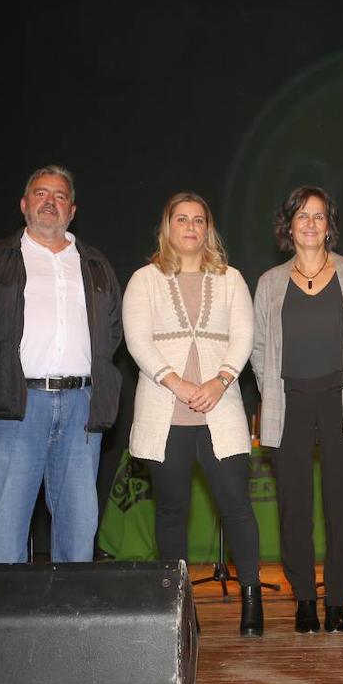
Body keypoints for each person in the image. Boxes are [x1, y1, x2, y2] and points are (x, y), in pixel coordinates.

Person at [0, 165, 122, 564]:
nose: (50, 202)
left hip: (82, 405)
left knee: (80, 524)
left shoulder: (95, 264)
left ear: (72, 210)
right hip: (16, 405)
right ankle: (2, 620)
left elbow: (112, 329)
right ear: (25, 204)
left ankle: (71, 619)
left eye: (60, 196)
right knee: (8, 522)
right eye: (41, 193)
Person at [124, 193, 264, 636]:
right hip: (165, 415)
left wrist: (218, 382)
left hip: (219, 413)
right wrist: (178, 383)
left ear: (208, 229)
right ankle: (179, 608)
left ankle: (252, 601)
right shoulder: (143, 279)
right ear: (167, 227)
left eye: (198, 220)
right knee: (170, 510)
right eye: (181, 219)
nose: (190, 227)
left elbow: (243, 338)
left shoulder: (231, 279)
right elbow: (136, 341)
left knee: (237, 508)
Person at [251, 186, 343, 634]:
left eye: (318, 216)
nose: (309, 223)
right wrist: (274, 393)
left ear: (329, 225)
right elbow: (259, 349)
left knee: (341, 508)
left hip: (341, 399)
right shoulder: (269, 282)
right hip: (290, 402)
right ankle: (304, 599)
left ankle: (337, 602)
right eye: (301, 215)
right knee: (294, 509)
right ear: (288, 224)